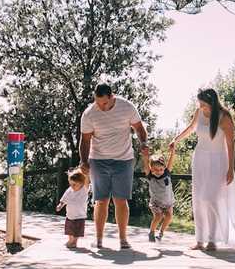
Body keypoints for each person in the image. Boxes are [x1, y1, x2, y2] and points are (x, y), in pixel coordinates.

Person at [171, 88, 235, 250]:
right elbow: (191, 128)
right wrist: (176, 140)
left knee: (210, 198)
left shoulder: (224, 117)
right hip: (200, 159)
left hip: (218, 160)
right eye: (200, 104)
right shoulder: (199, 112)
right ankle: (200, 240)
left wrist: (230, 169)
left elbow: (231, 144)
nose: (201, 107)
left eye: (204, 104)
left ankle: (213, 239)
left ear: (212, 102)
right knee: (198, 199)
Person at [79, 83, 149, 250]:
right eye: (97, 102)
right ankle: (99, 239)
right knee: (101, 200)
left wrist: (144, 143)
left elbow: (139, 128)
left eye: (103, 103)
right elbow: (85, 140)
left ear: (112, 97)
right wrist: (83, 161)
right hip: (98, 160)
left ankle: (123, 239)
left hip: (123, 160)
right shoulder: (89, 114)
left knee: (120, 200)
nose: (100, 106)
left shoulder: (127, 107)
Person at [143, 144, 176, 243]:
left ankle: (161, 233)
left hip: (168, 202)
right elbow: (146, 164)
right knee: (158, 216)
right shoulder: (150, 176)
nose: (158, 171)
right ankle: (151, 232)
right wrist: (145, 155)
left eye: (161, 169)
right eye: (155, 169)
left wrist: (172, 152)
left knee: (169, 217)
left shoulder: (166, 173)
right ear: (151, 168)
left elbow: (171, 161)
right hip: (156, 202)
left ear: (164, 168)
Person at [56, 169, 89, 248]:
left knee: (77, 231)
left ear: (81, 183)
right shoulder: (69, 190)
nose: (72, 186)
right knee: (69, 230)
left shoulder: (84, 190)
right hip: (70, 215)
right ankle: (70, 240)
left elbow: (87, 180)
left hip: (80, 216)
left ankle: (74, 242)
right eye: (71, 184)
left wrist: (85, 172)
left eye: (74, 184)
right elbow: (64, 199)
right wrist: (60, 205)